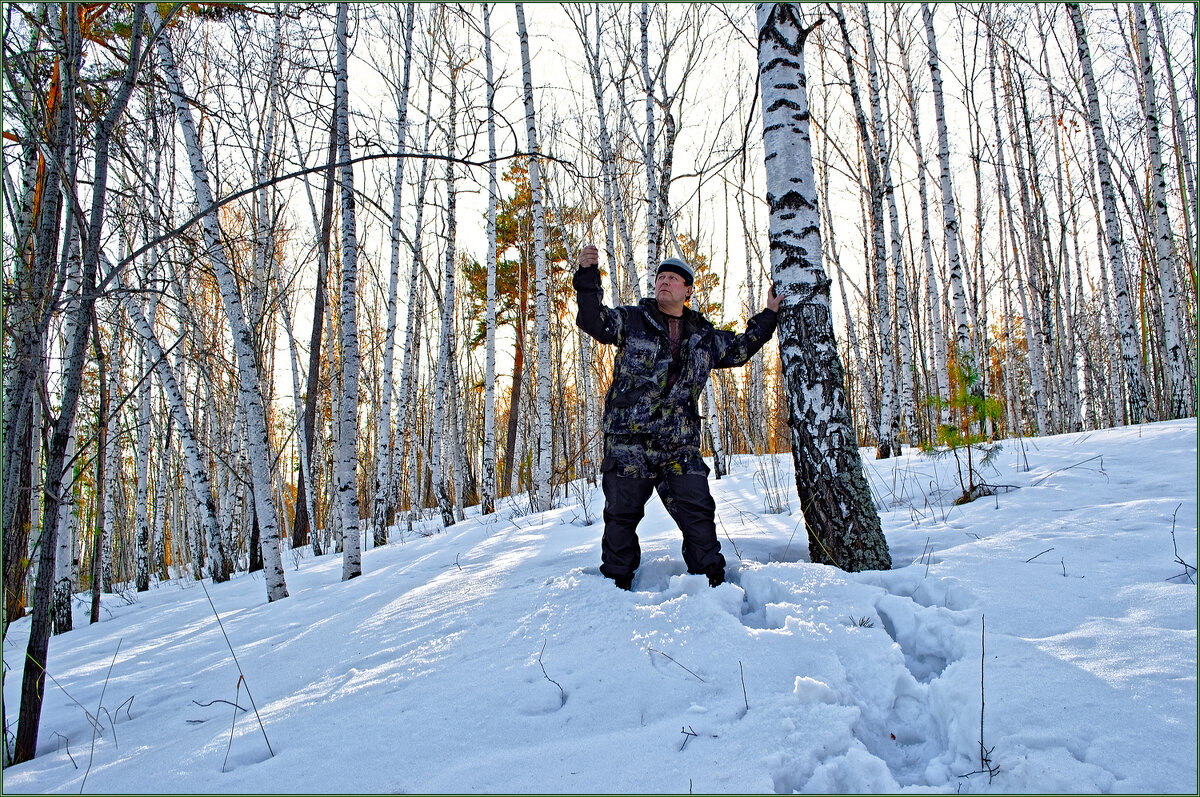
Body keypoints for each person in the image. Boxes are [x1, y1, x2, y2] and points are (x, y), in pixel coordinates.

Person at [573, 244, 783, 590]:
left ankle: (712, 586)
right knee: (621, 518)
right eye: (660, 277)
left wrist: (769, 315)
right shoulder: (632, 320)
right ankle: (615, 588)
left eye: (673, 278)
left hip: (678, 445)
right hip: (629, 443)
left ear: (688, 291)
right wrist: (587, 276)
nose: (664, 282)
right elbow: (593, 320)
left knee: (697, 513)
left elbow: (741, 349)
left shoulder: (703, 336)